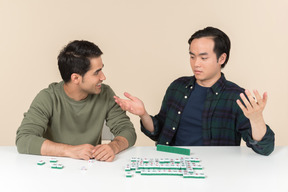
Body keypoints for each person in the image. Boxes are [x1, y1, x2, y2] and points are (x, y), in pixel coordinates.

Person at [114, 27, 275, 156]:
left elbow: (264, 148)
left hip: (214, 169)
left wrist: (256, 120)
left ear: (222, 59)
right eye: (192, 56)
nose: (196, 63)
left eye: (203, 58)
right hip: (171, 160)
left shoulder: (236, 96)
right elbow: (159, 132)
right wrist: (143, 114)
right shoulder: (178, 87)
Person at [16, 40, 136, 161]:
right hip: (53, 169)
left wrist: (113, 147)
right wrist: (70, 150)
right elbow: (24, 139)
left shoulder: (105, 94)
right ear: (76, 78)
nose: (103, 77)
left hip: (91, 169)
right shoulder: (48, 98)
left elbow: (127, 131)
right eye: (96, 72)